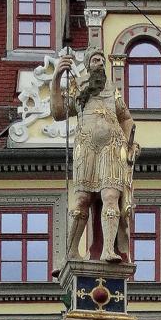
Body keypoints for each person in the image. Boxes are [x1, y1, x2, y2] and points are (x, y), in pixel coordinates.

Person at [51, 49, 138, 265]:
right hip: (87, 146)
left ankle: (109, 249)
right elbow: (58, 112)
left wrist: (129, 144)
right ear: (88, 65)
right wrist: (56, 79)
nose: (99, 63)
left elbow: (126, 119)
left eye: (101, 60)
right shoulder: (78, 87)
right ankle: (71, 253)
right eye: (95, 59)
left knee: (111, 196)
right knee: (82, 199)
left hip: (112, 147)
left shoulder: (113, 90)